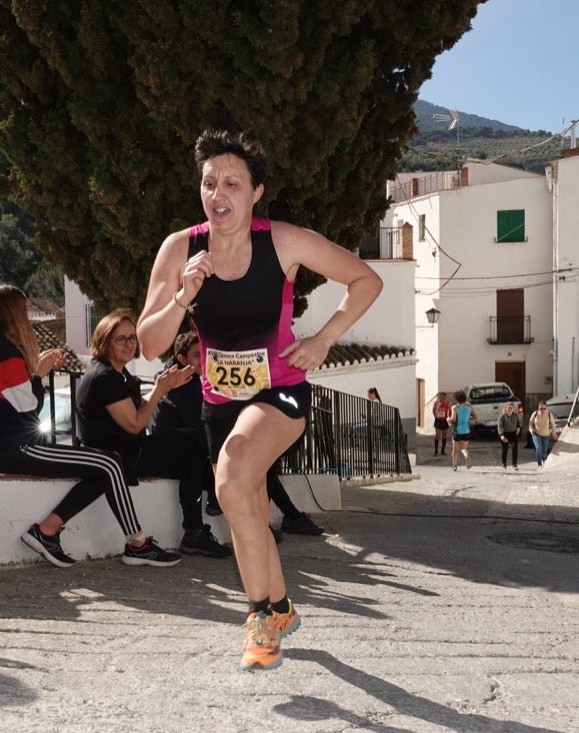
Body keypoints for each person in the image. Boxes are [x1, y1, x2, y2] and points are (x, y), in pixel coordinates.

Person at [135, 130, 382, 670]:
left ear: (255, 192)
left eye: (232, 183)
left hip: (280, 390)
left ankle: (259, 619)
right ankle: (282, 605)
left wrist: (324, 339)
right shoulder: (180, 249)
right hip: (218, 402)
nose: (218, 193)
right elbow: (150, 344)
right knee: (242, 498)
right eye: (209, 183)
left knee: (232, 477)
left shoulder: (284, 242)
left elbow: (365, 279)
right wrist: (183, 297)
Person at [0, 285, 180, 568]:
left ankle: (47, 531)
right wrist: (38, 375)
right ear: (12, 313)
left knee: (104, 468)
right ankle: (138, 544)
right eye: (23, 311)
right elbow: (29, 406)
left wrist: (33, 374)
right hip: (17, 448)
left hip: (2, 447)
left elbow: (11, 398)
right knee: (110, 462)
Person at [75, 309, 231, 559]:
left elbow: (136, 407)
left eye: (132, 338)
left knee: (191, 461)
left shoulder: (116, 373)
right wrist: (160, 390)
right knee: (192, 438)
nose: (129, 344)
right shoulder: (104, 378)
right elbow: (135, 424)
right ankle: (218, 490)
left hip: (128, 451)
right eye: (121, 339)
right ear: (105, 342)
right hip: (120, 457)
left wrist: (165, 389)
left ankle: (193, 533)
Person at [152, 330, 323, 536]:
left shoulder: (191, 380)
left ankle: (282, 518)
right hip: (187, 456)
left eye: (204, 353)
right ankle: (272, 520)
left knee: (258, 461)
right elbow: (200, 430)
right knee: (252, 463)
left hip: (198, 451)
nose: (203, 360)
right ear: (182, 359)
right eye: (196, 355)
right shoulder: (182, 386)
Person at [448, 389, 476, 471]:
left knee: (455, 451)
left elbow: (453, 419)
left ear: (457, 399)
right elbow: (476, 417)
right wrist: (468, 419)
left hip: (457, 431)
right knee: (464, 449)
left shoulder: (455, 408)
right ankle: (466, 456)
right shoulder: (469, 407)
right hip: (466, 431)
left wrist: (448, 419)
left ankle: (454, 466)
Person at [528, 401, 558, 470]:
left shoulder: (549, 414)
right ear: (538, 408)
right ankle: (539, 465)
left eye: (544, 408)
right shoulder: (535, 414)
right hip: (536, 434)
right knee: (538, 447)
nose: (542, 410)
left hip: (546, 435)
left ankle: (544, 461)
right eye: (541, 408)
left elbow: (553, 425)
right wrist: (531, 430)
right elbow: (530, 423)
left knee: (544, 451)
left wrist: (554, 434)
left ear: (546, 408)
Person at [497, 402, 522, 470]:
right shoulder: (502, 416)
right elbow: (500, 426)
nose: (509, 409)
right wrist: (501, 435)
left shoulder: (516, 415)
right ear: (506, 408)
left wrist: (519, 428)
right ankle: (504, 463)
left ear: (513, 409)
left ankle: (514, 464)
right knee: (505, 449)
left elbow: (519, 423)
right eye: (508, 408)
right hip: (505, 434)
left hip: (513, 434)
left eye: (511, 408)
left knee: (514, 448)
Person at [432, 392, 451, 456]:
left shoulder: (448, 403)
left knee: (444, 435)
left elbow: (450, 411)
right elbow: (433, 410)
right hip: (438, 420)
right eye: (440, 396)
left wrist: (449, 417)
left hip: (445, 421)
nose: (441, 398)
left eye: (442, 396)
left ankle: (443, 450)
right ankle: (436, 451)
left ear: (445, 397)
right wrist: (435, 416)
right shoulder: (436, 403)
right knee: (437, 435)